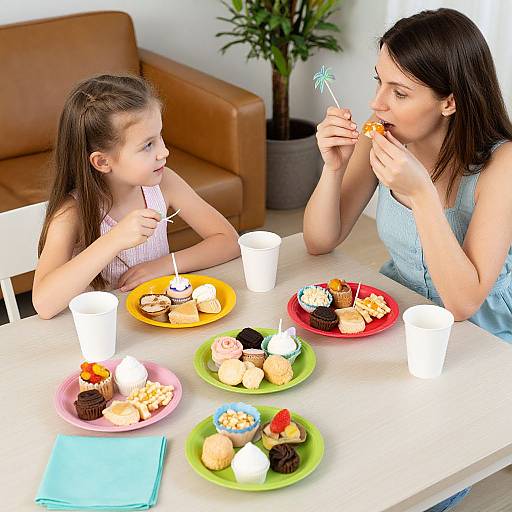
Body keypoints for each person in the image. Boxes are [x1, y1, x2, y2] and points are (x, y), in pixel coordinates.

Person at [304, 8, 512, 511]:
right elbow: (319, 240)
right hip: (396, 316)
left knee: (417, 481)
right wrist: (332, 169)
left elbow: (463, 302)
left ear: (451, 101)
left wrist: (420, 196)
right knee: (327, 418)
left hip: (481, 341)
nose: (378, 103)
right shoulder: (385, 136)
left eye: (400, 92)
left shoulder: (502, 165)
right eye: (379, 83)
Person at [33, 74, 240, 319]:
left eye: (160, 136)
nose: (164, 151)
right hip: (108, 335)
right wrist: (114, 239)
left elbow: (229, 241)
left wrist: (163, 266)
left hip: (156, 321)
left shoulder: (164, 184)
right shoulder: (72, 212)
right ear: (102, 161)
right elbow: (44, 304)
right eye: (147, 145)